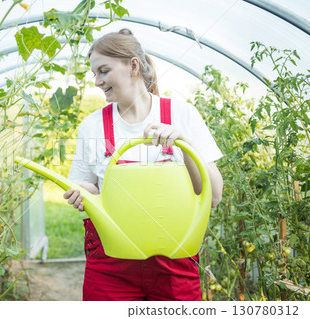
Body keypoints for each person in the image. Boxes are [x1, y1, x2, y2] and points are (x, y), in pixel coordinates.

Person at [63, 28, 224, 301]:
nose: (97, 82)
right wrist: (82, 192)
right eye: (94, 74)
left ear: (133, 66)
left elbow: (214, 196)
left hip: (175, 262)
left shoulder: (181, 114)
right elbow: (90, 186)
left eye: (103, 71)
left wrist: (184, 144)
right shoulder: (92, 126)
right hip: (111, 265)